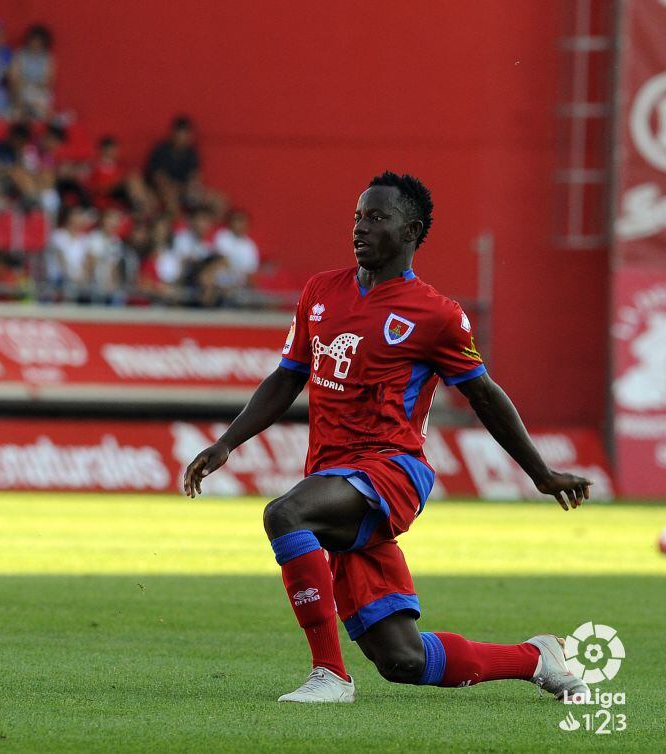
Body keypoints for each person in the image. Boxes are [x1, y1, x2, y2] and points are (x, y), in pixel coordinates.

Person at [182, 171, 592, 704]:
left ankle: (330, 676)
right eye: (358, 216)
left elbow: (485, 394)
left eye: (377, 218)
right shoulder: (320, 292)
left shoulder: (437, 315)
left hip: (390, 470)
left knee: (285, 514)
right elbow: (288, 377)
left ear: (411, 231)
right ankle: (537, 657)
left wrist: (541, 473)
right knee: (402, 660)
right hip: (333, 478)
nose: (360, 228)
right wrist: (227, 443)